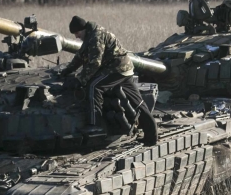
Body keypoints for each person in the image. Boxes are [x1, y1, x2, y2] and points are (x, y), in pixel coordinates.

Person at [61, 16, 158, 145]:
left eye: (77, 33)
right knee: (138, 102)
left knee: (94, 87)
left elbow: (95, 63)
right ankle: (151, 137)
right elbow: (80, 56)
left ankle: (95, 125)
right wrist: (67, 70)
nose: (76, 36)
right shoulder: (90, 35)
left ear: (83, 29)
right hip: (125, 68)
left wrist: (80, 79)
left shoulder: (96, 37)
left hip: (117, 69)